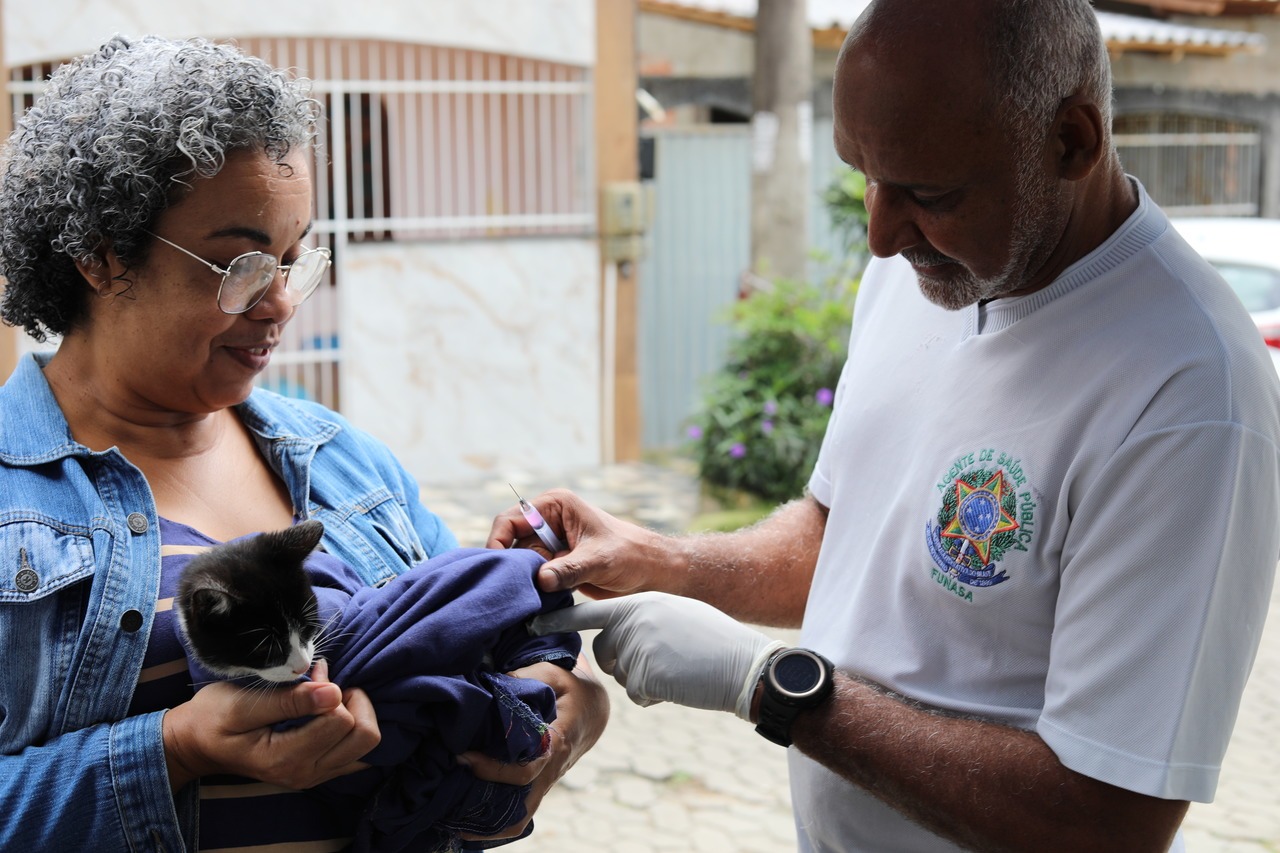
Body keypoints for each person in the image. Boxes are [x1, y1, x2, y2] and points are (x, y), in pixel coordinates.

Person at [495, 1, 1280, 851]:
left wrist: (769, 685)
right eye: (862, 175)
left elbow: (1105, 823)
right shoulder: (931, 269)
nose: (879, 233)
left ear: (1071, 142)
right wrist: (666, 561)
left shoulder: (1190, 393)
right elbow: (848, 534)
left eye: (927, 192)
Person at [0, 34, 607, 852]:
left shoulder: (349, 463)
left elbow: (490, 656)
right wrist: (170, 748)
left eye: (293, 258)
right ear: (101, 258)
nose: (281, 303)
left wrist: (564, 703)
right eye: (241, 264)